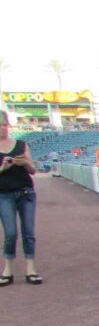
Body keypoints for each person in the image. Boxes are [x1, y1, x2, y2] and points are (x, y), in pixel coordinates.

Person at [0, 110, 41, 286]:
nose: (3, 128)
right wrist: (3, 167)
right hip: (4, 194)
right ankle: (7, 269)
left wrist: (24, 162)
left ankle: (31, 269)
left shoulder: (21, 144)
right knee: (10, 233)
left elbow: (33, 171)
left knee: (28, 232)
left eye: (4, 125)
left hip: (26, 192)